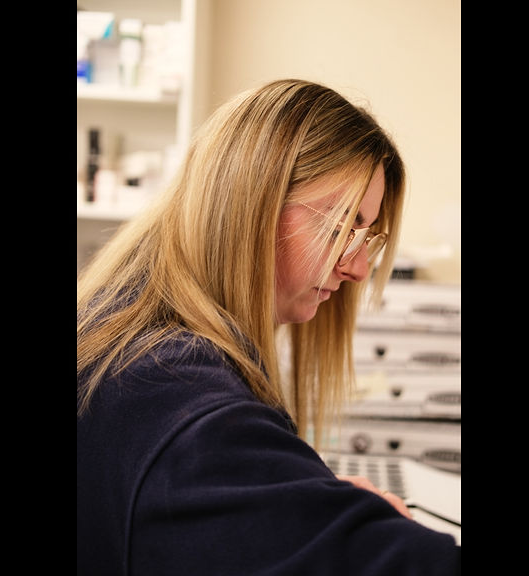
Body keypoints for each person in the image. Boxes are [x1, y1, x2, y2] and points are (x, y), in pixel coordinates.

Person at [77, 78, 460, 575]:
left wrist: (292, 500)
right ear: (250, 203)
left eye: (367, 237)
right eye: (343, 225)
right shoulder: (179, 397)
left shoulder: (128, 335)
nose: (359, 269)